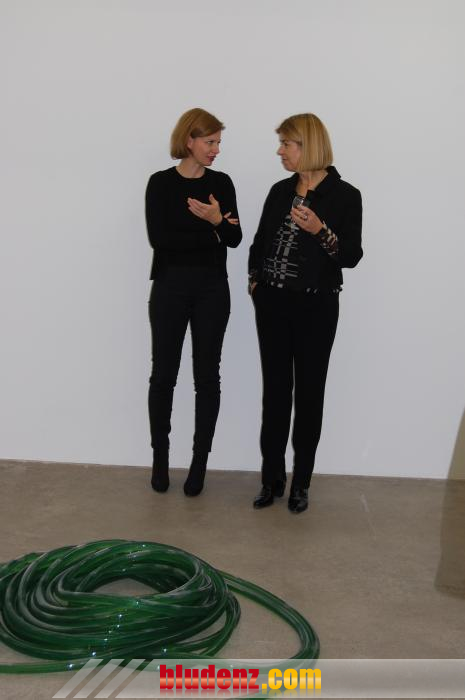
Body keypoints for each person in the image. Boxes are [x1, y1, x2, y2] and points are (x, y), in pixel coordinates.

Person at [248, 113, 363, 514]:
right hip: (273, 303)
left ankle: (301, 483)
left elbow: (351, 256)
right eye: (281, 143)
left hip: (317, 306)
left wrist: (319, 229)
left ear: (308, 145)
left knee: (310, 394)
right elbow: (260, 241)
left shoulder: (345, 195)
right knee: (275, 392)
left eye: (286, 144)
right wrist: (255, 281)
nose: (280, 151)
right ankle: (271, 479)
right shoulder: (280, 190)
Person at [145, 108, 242, 496]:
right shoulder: (160, 183)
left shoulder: (222, 183)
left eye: (218, 142)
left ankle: (199, 463)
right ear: (189, 140)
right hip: (169, 287)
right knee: (163, 375)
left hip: (212, 290)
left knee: (207, 377)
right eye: (210, 142)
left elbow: (235, 239)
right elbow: (160, 239)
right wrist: (214, 231)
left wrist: (218, 221)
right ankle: (160, 459)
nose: (216, 149)